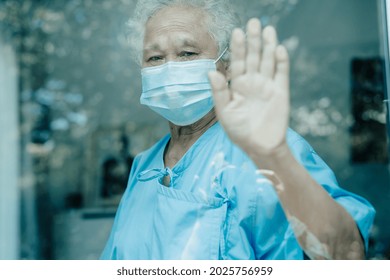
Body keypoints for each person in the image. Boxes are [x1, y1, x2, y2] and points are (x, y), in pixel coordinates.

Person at [100, 0, 375, 260]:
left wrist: (276, 156)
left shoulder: (270, 150)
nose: (170, 68)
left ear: (227, 65)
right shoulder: (144, 166)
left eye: (188, 53)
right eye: (155, 57)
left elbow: (346, 254)